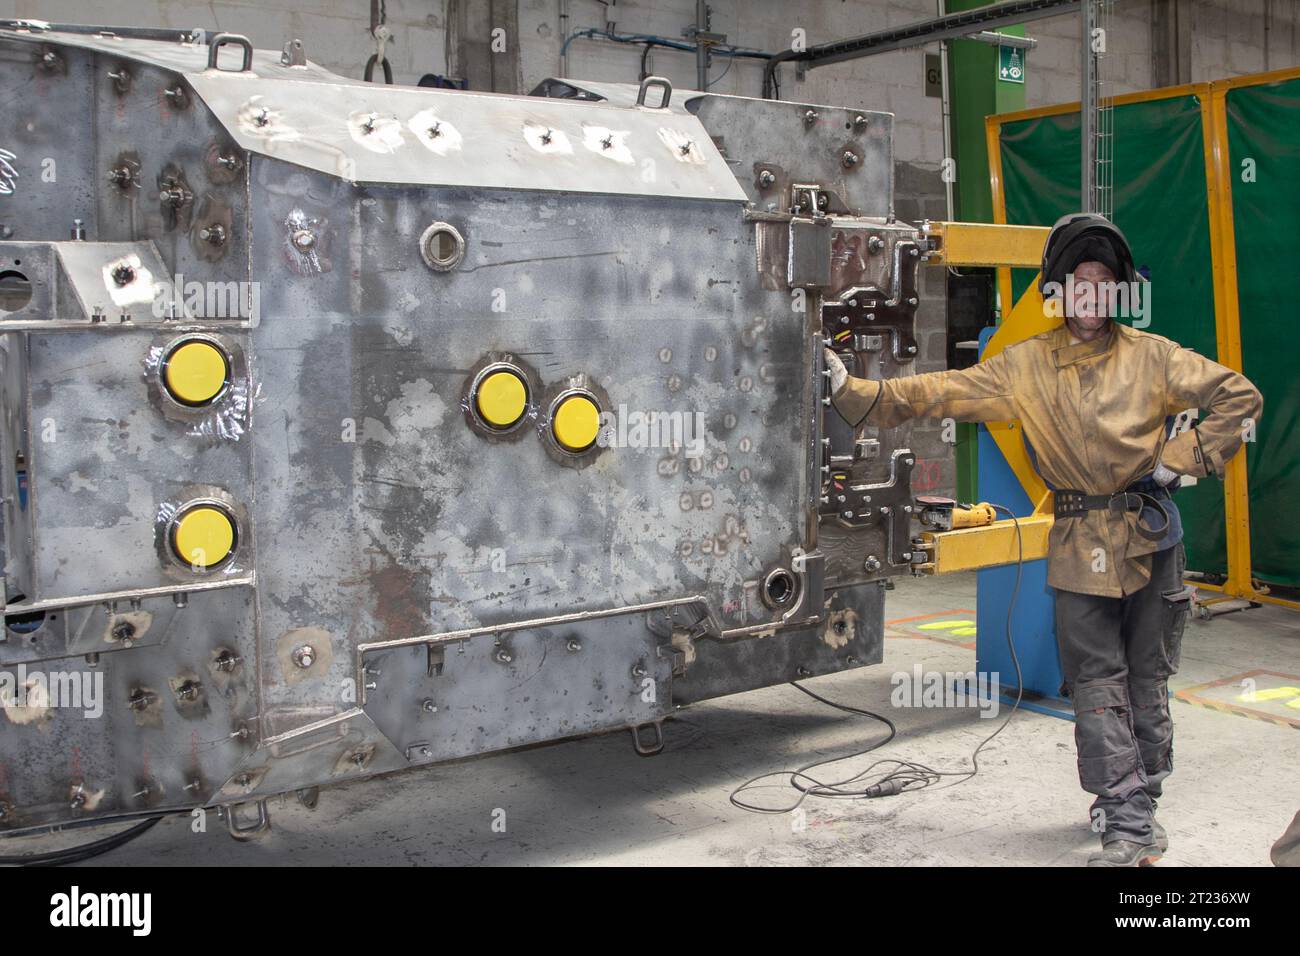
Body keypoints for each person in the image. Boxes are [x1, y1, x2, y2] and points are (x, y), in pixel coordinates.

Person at [824, 213, 1263, 866]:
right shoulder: (1025, 368)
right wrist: (854, 393)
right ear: (1060, 291)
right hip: (1080, 546)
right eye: (1078, 281)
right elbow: (940, 391)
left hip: (1151, 539)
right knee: (1098, 684)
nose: (1090, 295)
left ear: (1117, 292)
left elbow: (1239, 394)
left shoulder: (1155, 358)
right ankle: (1128, 821)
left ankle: (1140, 798)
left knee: (1147, 679)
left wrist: (1184, 453)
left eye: (1103, 282)